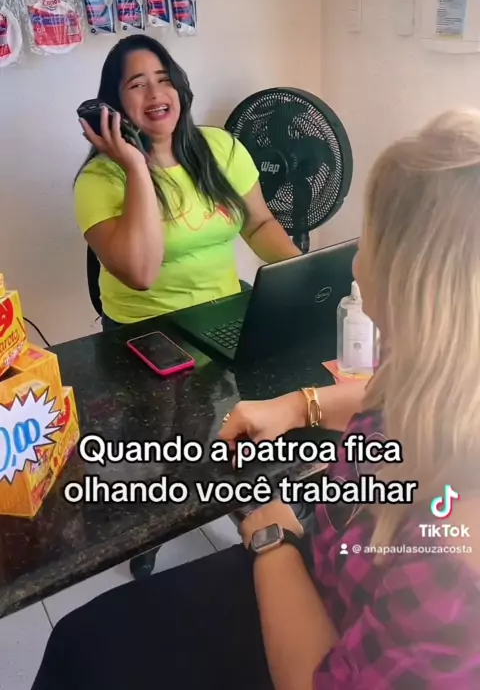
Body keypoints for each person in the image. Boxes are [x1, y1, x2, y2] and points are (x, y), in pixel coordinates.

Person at [33, 110, 480, 689]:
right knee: (80, 636)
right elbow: (391, 398)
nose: (356, 257)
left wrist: (272, 534)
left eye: (369, 237)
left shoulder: (451, 560)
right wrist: (297, 406)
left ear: (413, 282)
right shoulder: (444, 381)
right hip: (319, 560)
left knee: (86, 651)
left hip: (307, 617)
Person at [74, 34, 300, 329]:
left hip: (224, 314)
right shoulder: (98, 179)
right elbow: (141, 275)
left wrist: (305, 274)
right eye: (138, 85)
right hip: (145, 330)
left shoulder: (221, 146)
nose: (155, 93)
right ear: (114, 106)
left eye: (164, 80)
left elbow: (259, 224)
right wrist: (136, 167)